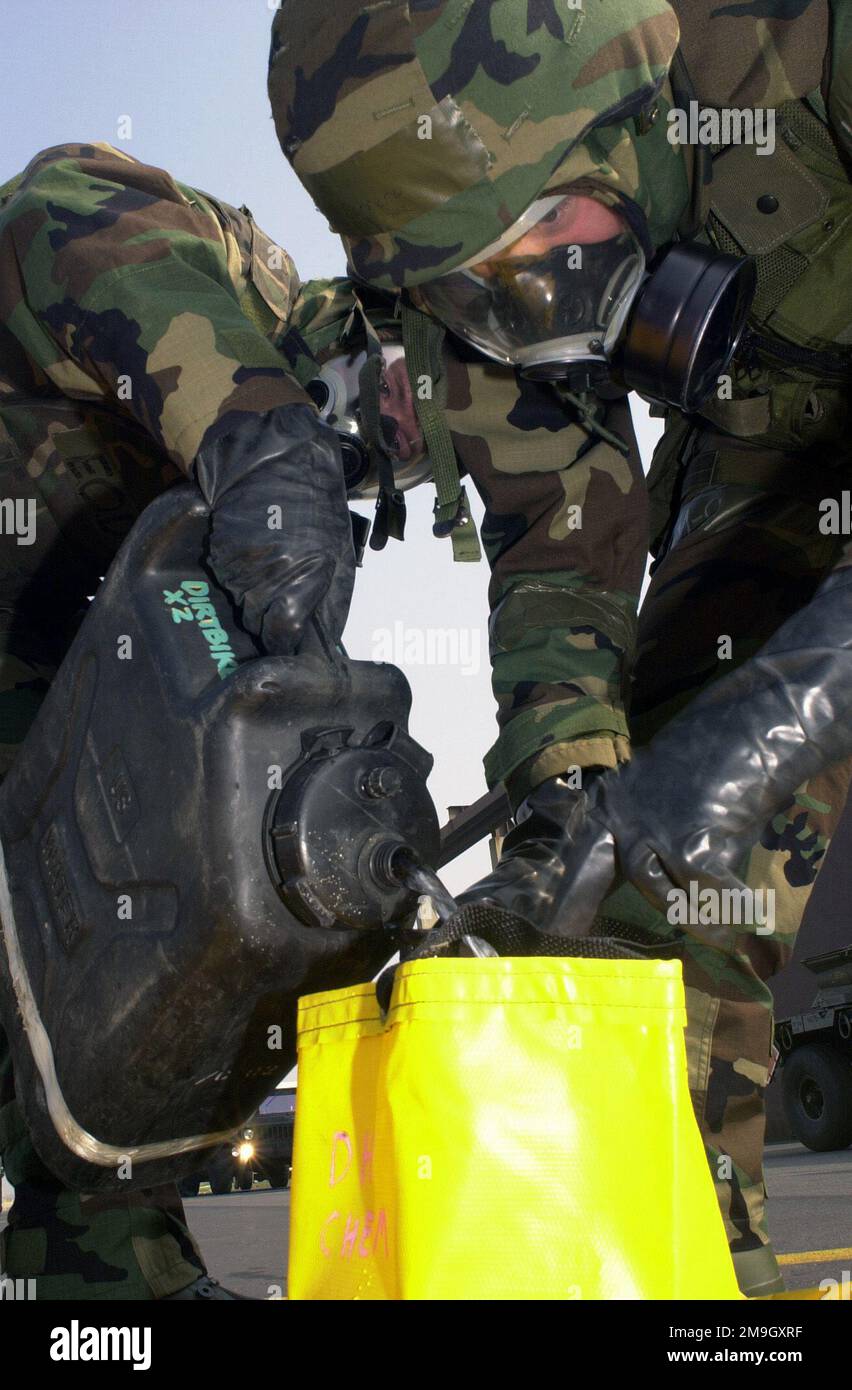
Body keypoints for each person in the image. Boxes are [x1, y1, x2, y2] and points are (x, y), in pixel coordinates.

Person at [267, 0, 852, 1295]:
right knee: (645, 892)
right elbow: (561, 544)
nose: (530, 309)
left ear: (619, 104)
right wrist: (569, 788)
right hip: (766, 455)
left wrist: (783, 716)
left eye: (538, 247)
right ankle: (689, 1271)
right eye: (478, 285)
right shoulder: (476, 275)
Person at [0, 141, 423, 1298]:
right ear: (362, 330)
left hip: (25, 660)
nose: (392, 432)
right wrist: (264, 438)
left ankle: (104, 1282)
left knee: (88, 952)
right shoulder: (229, 291)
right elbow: (59, 211)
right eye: (402, 389)